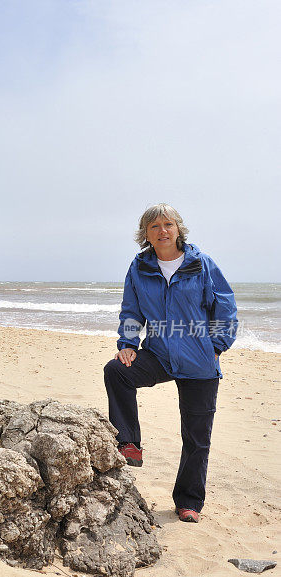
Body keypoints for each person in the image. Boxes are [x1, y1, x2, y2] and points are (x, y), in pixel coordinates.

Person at [104, 204, 238, 523]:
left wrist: (216, 348)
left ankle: (188, 501)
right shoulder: (140, 268)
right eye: (154, 226)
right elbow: (132, 311)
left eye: (168, 224)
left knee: (196, 437)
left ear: (178, 229)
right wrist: (127, 345)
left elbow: (226, 307)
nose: (162, 230)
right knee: (117, 371)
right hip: (159, 353)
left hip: (200, 361)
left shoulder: (201, 265)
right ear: (145, 234)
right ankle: (129, 443)